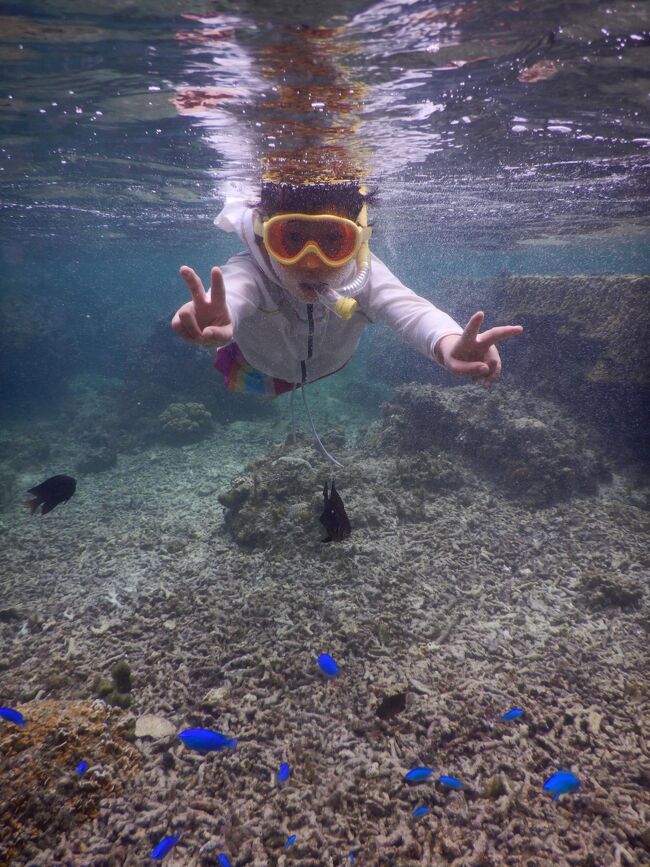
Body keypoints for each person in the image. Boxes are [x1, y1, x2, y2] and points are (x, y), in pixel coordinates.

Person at [172, 182, 522, 454]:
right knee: (258, 388)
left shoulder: (366, 276)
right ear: (265, 239)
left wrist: (446, 342)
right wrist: (223, 310)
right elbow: (234, 288)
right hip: (258, 366)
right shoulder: (252, 272)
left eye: (333, 241)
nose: (311, 261)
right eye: (290, 239)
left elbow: (413, 311)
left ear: (358, 242)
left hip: (318, 366)